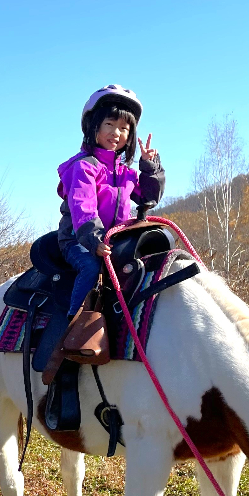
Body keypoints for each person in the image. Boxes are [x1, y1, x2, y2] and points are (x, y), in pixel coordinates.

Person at [53, 85, 165, 344]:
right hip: (80, 239)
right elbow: (83, 207)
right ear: (93, 126)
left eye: (124, 128)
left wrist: (150, 167)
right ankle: (75, 329)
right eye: (109, 124)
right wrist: (94, 240)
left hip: (114, 241)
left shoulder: (125, 173)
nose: (116, 133)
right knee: (91, 267)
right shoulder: (83, 166)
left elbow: (148, 198)